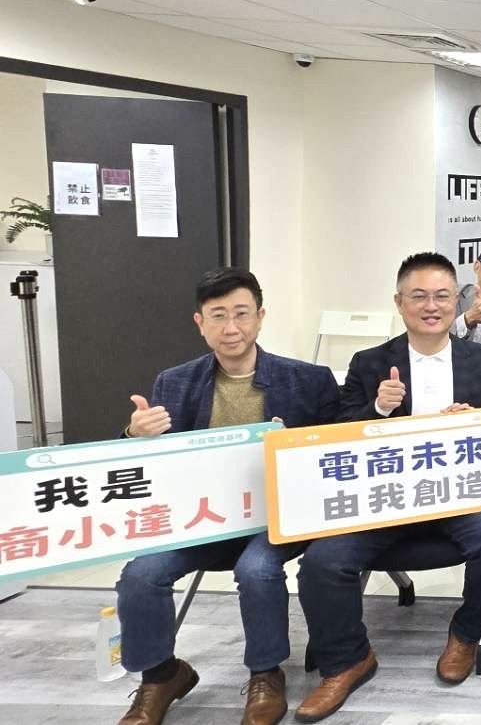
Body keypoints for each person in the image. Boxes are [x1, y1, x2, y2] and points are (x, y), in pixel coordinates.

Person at [295, 252, 481, 723]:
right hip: (384, 500)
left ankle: (465, 635)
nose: (431, 306)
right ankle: (347, 659)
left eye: (442, 296)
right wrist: (378, 411)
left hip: (464, 496)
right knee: (322, 560)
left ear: (456, 302)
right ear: (399, 303)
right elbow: (336, 433)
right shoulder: (370, 363)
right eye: (419, 296)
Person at [114, 268, 340, 725]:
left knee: (256, 569)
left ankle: (266, 673)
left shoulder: (308, 380)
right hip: (203, 518)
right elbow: (148, 470)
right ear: (200, 323)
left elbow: (336, 456)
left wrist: (293, 447)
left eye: (241, 314)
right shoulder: (174, 383)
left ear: (260, 317)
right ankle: (161, 676)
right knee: (141, 574)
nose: (231, 327)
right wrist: (135, 435)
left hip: (277, 517)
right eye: (218, 316)